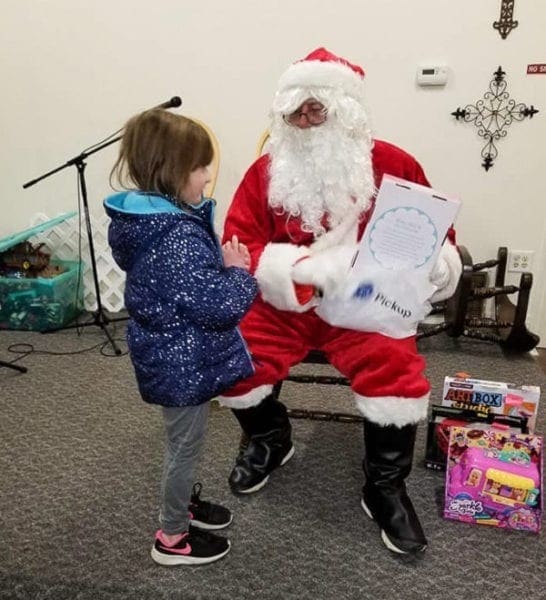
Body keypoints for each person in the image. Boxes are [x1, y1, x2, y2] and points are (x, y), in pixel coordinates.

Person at [218, 48, 462, 555]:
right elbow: (240, 242)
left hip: (366, 307)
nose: (305, 123)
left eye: (316, 110)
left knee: (395, 372)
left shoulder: (394, 163)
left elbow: (436, 232)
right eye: (295, 113)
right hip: (287, 303)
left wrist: (436, 263)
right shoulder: (266, 171)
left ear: (345, 111)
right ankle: (270, 438)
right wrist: (301, 273)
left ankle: (384, 486)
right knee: (232, 356)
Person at [104, 109, 258, 566]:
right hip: (182, 362)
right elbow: (217, 306)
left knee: (183, 442)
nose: (209, 175)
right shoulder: (174, 236)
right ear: (171, 171)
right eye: (200, 166)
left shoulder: (157, 223)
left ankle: (184, 508)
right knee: (184, 447)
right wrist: (238, 274)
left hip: (174, 353)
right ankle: (172, 538)